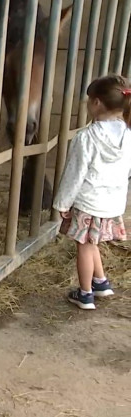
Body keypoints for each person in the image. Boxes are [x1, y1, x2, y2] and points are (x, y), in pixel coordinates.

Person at [53, 74, 131, 311]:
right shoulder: (128, 134)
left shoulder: (86, 138)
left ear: (96, 103)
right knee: (92, 241)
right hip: (113, 202)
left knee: (84, 246)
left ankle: (85, 294)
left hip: (89, 203)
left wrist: (61, 204)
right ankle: (100, 282)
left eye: (88, 100)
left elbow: (74, 175)